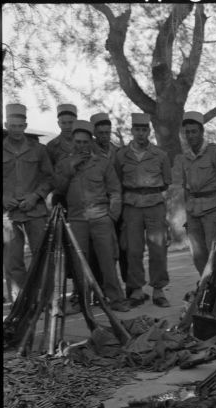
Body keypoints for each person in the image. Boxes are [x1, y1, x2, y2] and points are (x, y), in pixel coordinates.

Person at [55, 120, 130, 312]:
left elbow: (115, 191)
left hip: (100, 217)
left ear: (91, 142)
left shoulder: (102, 163)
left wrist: (111, 216)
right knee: (79, 264)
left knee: (108, 261)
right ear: (72, 142)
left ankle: (117, 300)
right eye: (77, 142)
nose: (81, 146)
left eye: (85, 142)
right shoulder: (64, 164)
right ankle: (82, 301)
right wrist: (71, 168)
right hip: (77, 219)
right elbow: (59, 190)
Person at [115, 113, 172, 307]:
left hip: (155, 205)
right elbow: (116, 181)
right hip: (131, 206)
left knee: (158, 249)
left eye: (144, 130)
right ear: (131, 131)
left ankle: (158, 289)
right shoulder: (121, 155)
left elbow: (167, 181)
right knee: (133, 249)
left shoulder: (160, 155)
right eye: (137, 130)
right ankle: (137, 289)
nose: (140, 133)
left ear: (149, 131)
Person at [2, 103, 54, 298]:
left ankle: (46, 300)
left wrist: (35, 196)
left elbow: (50, 178)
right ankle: (20, 302)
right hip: (9, 214)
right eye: (12, 126)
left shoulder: (38, 149)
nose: (16, 130)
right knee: (13, 261)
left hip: (35, 211)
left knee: (41, 257)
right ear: (7, 125)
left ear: (25, 125)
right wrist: (3, 198)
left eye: (20, 126)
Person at [176, 111, 216, 276]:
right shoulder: (185, 157)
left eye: (194, 131)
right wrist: (186, 214)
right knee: (197, 254)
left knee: (215, 252)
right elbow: (185, 187)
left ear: (202, 132)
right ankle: (206, 286)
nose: (190, 135)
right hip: (193, 211)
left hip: (213, 209)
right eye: (187, 132)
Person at [90, 112, 127, 292]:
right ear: (94, 133)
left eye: (107, 132)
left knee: (123, 248)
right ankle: (101, 289)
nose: (104, 136)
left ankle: (128, 286)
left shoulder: (118, 152)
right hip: (98, 207)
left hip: (117, 205)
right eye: (101, 132)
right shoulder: (89, 152)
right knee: (101, 252)